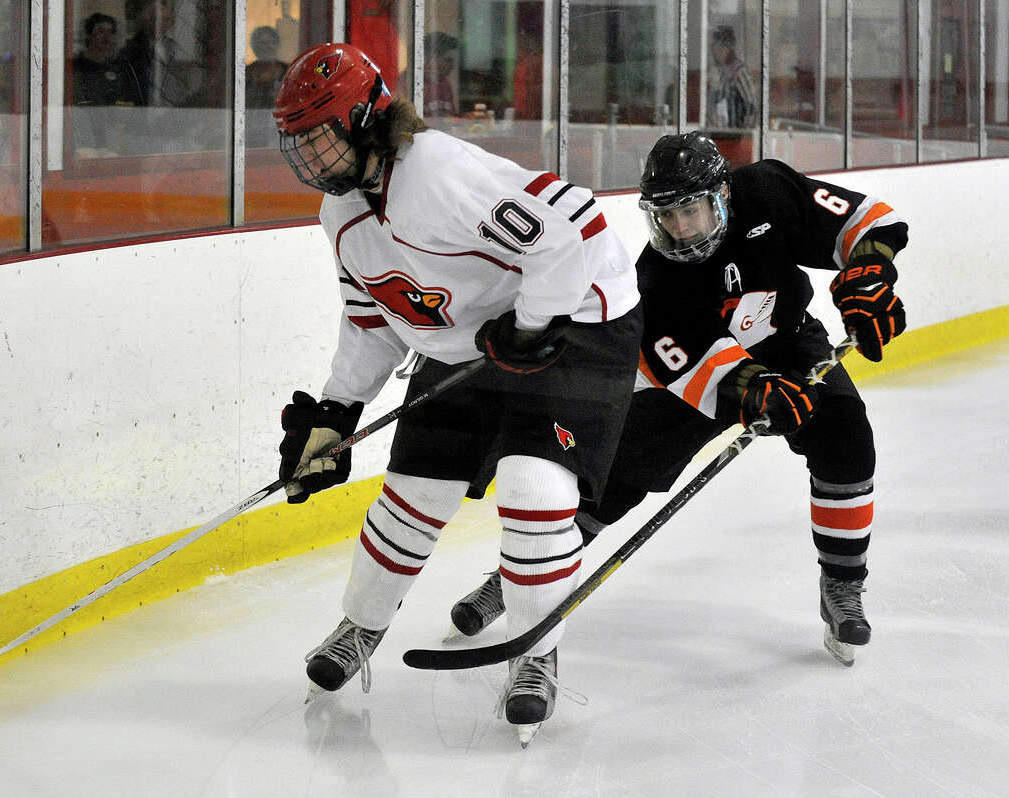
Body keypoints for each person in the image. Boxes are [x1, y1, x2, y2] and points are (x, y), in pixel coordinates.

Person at [272, 43, 641, 744]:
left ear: (362, 119)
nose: (311, 161)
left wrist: (533, 326)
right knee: (413, 492)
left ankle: (536, 655)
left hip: (580, 321)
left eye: (319, 139)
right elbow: (375, 318)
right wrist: (335, 412)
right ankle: (360, 626)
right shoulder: (341, 217)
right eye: (300, 146)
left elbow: (575, 225)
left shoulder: (436, 173)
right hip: (475, 337)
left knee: (535, 490)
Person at [449, 131, 908, 668]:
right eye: (665, 216)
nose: (680, 228)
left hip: (789, 340)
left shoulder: (767, 192)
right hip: (710, 376)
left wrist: (869, 275)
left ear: (722, 195)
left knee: (846, 432)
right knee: (617, 479)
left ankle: (843, 586)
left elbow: (867, 221)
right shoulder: (655, 280)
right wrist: (753, 390)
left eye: (690, 209)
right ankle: (514, 579)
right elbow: (697, 369)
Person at [707, 25, 757, 128]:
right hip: (717, 134)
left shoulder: (739, 72)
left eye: (719, 47)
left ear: (728, 48)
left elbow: (751, 105)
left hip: (734, 136)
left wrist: (745, 135)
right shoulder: (718, 72)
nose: (714, 52)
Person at [244, 26, 289, 110]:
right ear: (254, 47)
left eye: (271, 43)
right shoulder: (246, 73)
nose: (267, 47)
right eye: (262, 43)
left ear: (277, 45)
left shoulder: (289, 73)